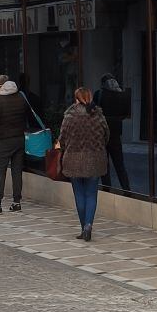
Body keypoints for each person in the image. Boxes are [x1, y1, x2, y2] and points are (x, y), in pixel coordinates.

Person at [59, 87, 109, 241]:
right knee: (91, 194)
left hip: (73, 160)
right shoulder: (98, 115)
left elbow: (62, 138)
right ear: (90, 97)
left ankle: (83, 228)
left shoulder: (69, 116)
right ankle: (88, 225)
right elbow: (106, 135)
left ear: (76, 99)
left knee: (79, 195)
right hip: (95, 160)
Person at [0, 75, 29, 214]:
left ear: (0, 86)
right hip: (20, 138)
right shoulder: (21, 97)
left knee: (0, 171)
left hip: (5, 140)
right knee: (17, 170)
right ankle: (16, 202)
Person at [94, 73, 131, 192]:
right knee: (119, 164)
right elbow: (126, 114)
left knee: (105, 165)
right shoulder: (121, 94)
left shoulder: (99, 94)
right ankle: (127, 190)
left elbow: (93, 112)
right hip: (115, 134)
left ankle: (107, 189)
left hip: (102, 134)